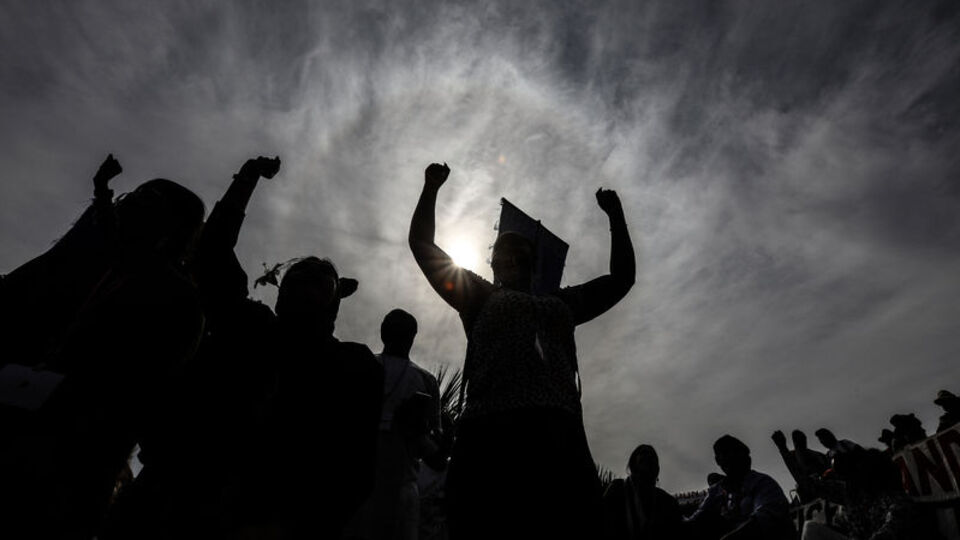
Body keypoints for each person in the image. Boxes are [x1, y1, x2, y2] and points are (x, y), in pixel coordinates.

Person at [408, 162, 635, 540]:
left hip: (559, 435)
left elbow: (621, 278)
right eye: (502, 250)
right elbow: (422, 246)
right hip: (491, 433)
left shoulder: (563, 302)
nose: (511, 254)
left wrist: (616, 216)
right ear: (493, 263)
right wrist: (431, 187)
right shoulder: (478, 295)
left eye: (521, 250)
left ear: (534, 262)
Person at [1, 156, 207, 540]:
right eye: (138, 193)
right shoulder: (80, 267)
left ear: (173, 228)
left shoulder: (175, 299)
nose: (132, 201)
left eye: (152, 199)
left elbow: (131, 395)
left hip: (60, 474)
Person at [347, 309, 441, 540]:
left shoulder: (361, 366)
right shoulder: (424, 380)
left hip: (359, 486)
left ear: (382, 333)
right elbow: (434, 453)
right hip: (399, 487)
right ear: (413, 337)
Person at [686, 435, 794, 540]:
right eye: (725, 454)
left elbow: (763, 520)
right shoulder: (716, 491)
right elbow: (695, 521)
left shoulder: (762, 483)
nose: (731, 458)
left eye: (737, 454)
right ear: (718, 461)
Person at [603, 444, 684, 540]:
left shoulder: (668, 502)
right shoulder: (617, 489)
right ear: (633, 464)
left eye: (652, 457)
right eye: (643, 453)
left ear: (657, 470)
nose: (648, 456)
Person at [771, 429, 828, 502]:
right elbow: (792, 467)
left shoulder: (817, 455)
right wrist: (782, 447)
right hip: (806, 490)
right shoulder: (793, 456)